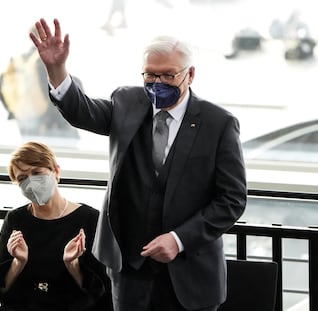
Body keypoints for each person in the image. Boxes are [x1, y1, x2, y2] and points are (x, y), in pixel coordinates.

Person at [29, 18, 247, 311]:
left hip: (190, 276)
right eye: (150, 75)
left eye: (168, 76)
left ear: (190, 74)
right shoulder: (127, 101)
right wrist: (56, 69)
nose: (158, 84)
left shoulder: (218, 124)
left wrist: (179, 239)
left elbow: (232, 200)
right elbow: (82, 111)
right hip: (129, 272)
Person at [0, 141, 113, 311]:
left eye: (37, 172)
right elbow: (1, 289)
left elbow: (100, 290)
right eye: (22, 178)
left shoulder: (89, 218)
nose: (30, 183)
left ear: (56, 171)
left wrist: (72, 264)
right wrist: (18, 262)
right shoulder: (16, 219)